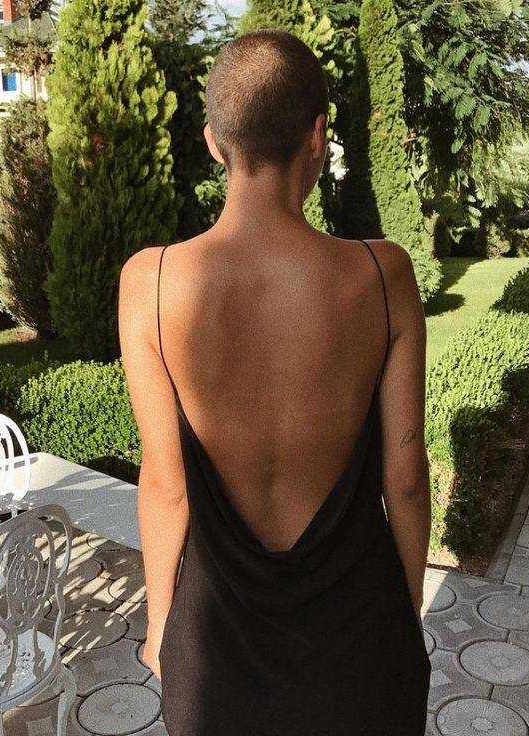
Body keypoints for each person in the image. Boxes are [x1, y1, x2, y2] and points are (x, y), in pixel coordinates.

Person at [118, 28, 432, 736]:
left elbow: (165, 483)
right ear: (318, 136)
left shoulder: (150, 282)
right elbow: (406, 475)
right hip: (361, 641)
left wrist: (160, 626)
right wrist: (404, 614)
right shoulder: (382, 275)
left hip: (216, 651)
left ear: (212, 141)